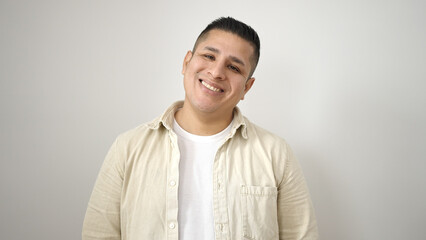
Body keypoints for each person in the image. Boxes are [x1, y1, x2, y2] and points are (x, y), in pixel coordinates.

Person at [82, 17, 319, 240]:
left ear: (247, 87)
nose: (216, 73)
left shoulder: (275, 154)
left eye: (234, 68)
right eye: (209, 56)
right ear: (186, 62)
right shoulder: (128, 148)